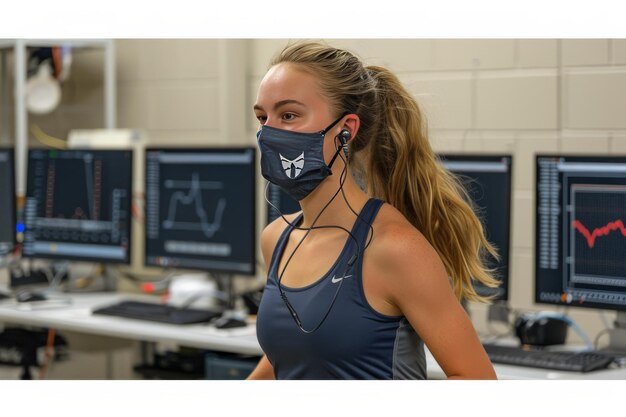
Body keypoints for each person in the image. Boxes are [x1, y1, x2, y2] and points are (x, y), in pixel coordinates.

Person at [248, 41, 498, 380]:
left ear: (346, 129)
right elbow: (296, 355)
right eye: (263, 117)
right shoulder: (276, 238)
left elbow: (476, 380)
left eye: (289, 115)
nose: (269, 132)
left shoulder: (395, 248)